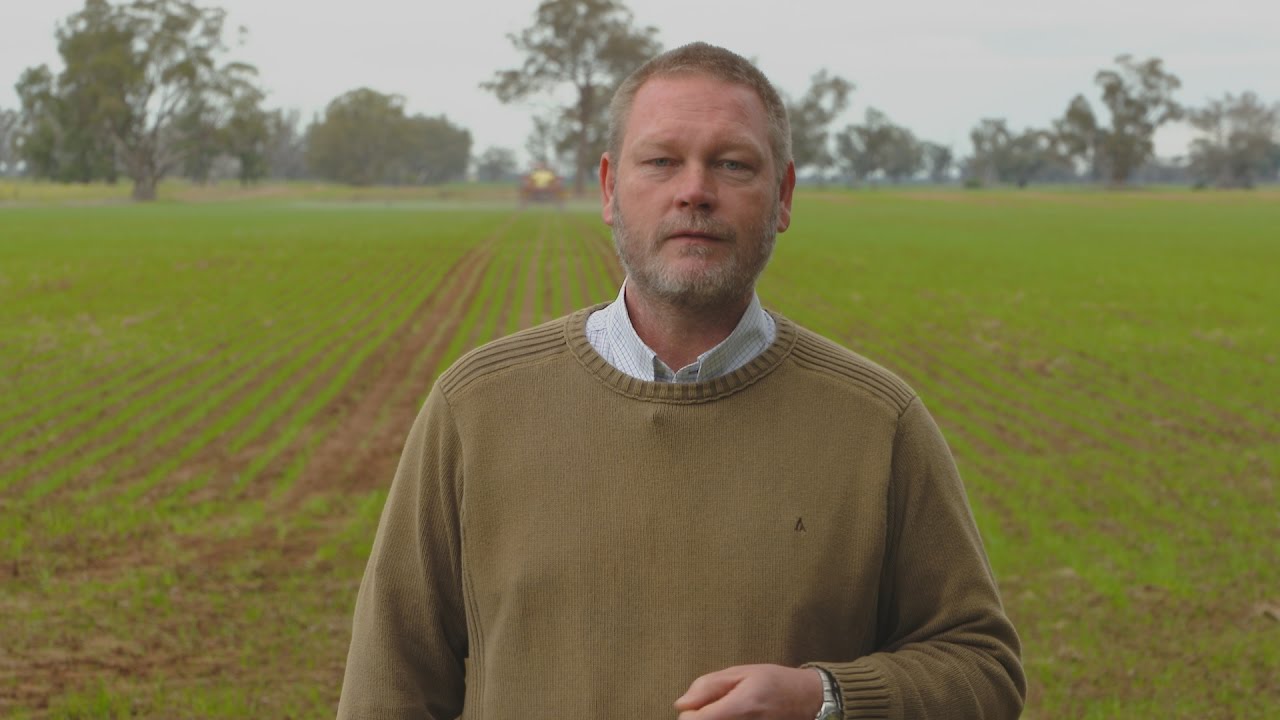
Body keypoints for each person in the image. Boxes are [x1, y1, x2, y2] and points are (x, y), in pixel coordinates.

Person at [337, 42, 1025, 720]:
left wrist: (823, 699)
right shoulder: (476, 408)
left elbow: (984, 671)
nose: (695, 191)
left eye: (732, 164)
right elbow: (388, 688)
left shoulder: (878, 424)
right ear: (610, 189)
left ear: (782, 196)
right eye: (662, 161)